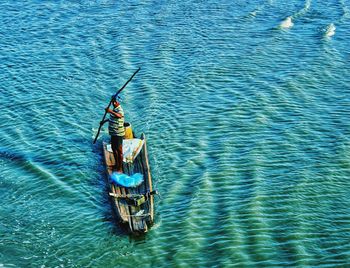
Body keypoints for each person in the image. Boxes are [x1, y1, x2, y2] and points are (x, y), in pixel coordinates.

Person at [105, 97, 125, 173]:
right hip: (113, 133)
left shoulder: (120, 109)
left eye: (115, 102)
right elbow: (113, 117)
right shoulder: (115, 109)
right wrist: (104, 121)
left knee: (119, 151)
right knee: (114, 148)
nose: (113, 103)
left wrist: (110, 111)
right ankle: (116, 164)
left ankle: (120, 168)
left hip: (118, 134)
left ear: (118, 102)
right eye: (113, 102)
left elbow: (119, 116)